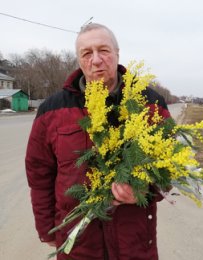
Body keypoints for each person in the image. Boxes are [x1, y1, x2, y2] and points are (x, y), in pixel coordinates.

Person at [25, 23, 171, 260]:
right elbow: (39, 176)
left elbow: (170, 168)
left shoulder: (150, 103)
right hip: (78, 246)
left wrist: (144, 191)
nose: (96, 60)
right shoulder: (51, 111)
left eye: (103, 50)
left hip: (133, 244)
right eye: (86, 53)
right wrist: (46, 231)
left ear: (117, 54)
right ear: (79, 60)